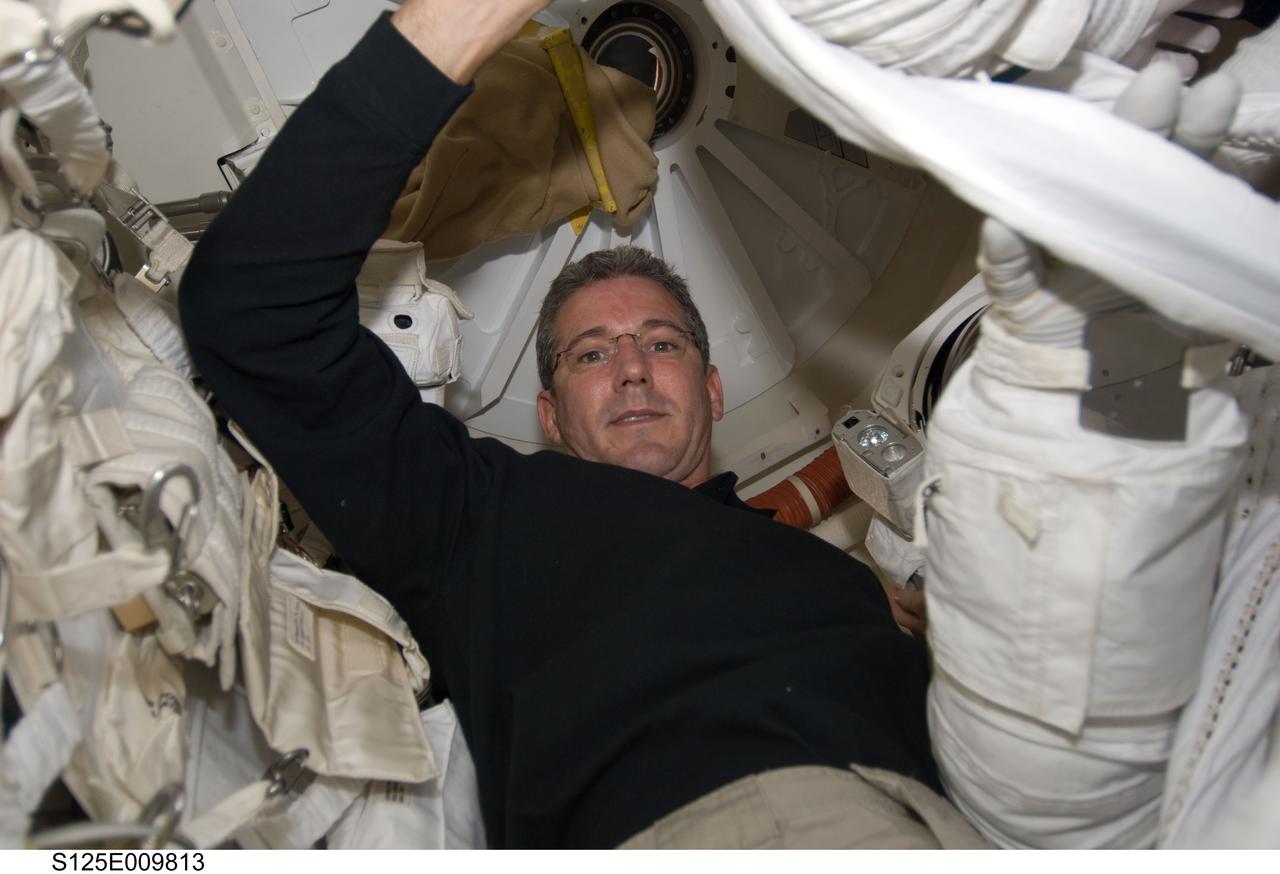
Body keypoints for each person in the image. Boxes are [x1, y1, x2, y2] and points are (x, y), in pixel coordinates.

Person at [178, 0, 983, 849]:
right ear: (551, 416)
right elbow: (250, 311)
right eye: (592, 355)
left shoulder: (838, 579)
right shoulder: (478, 519)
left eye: (661, 343)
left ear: (711, 391)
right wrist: (443, 35)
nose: (633, 366)